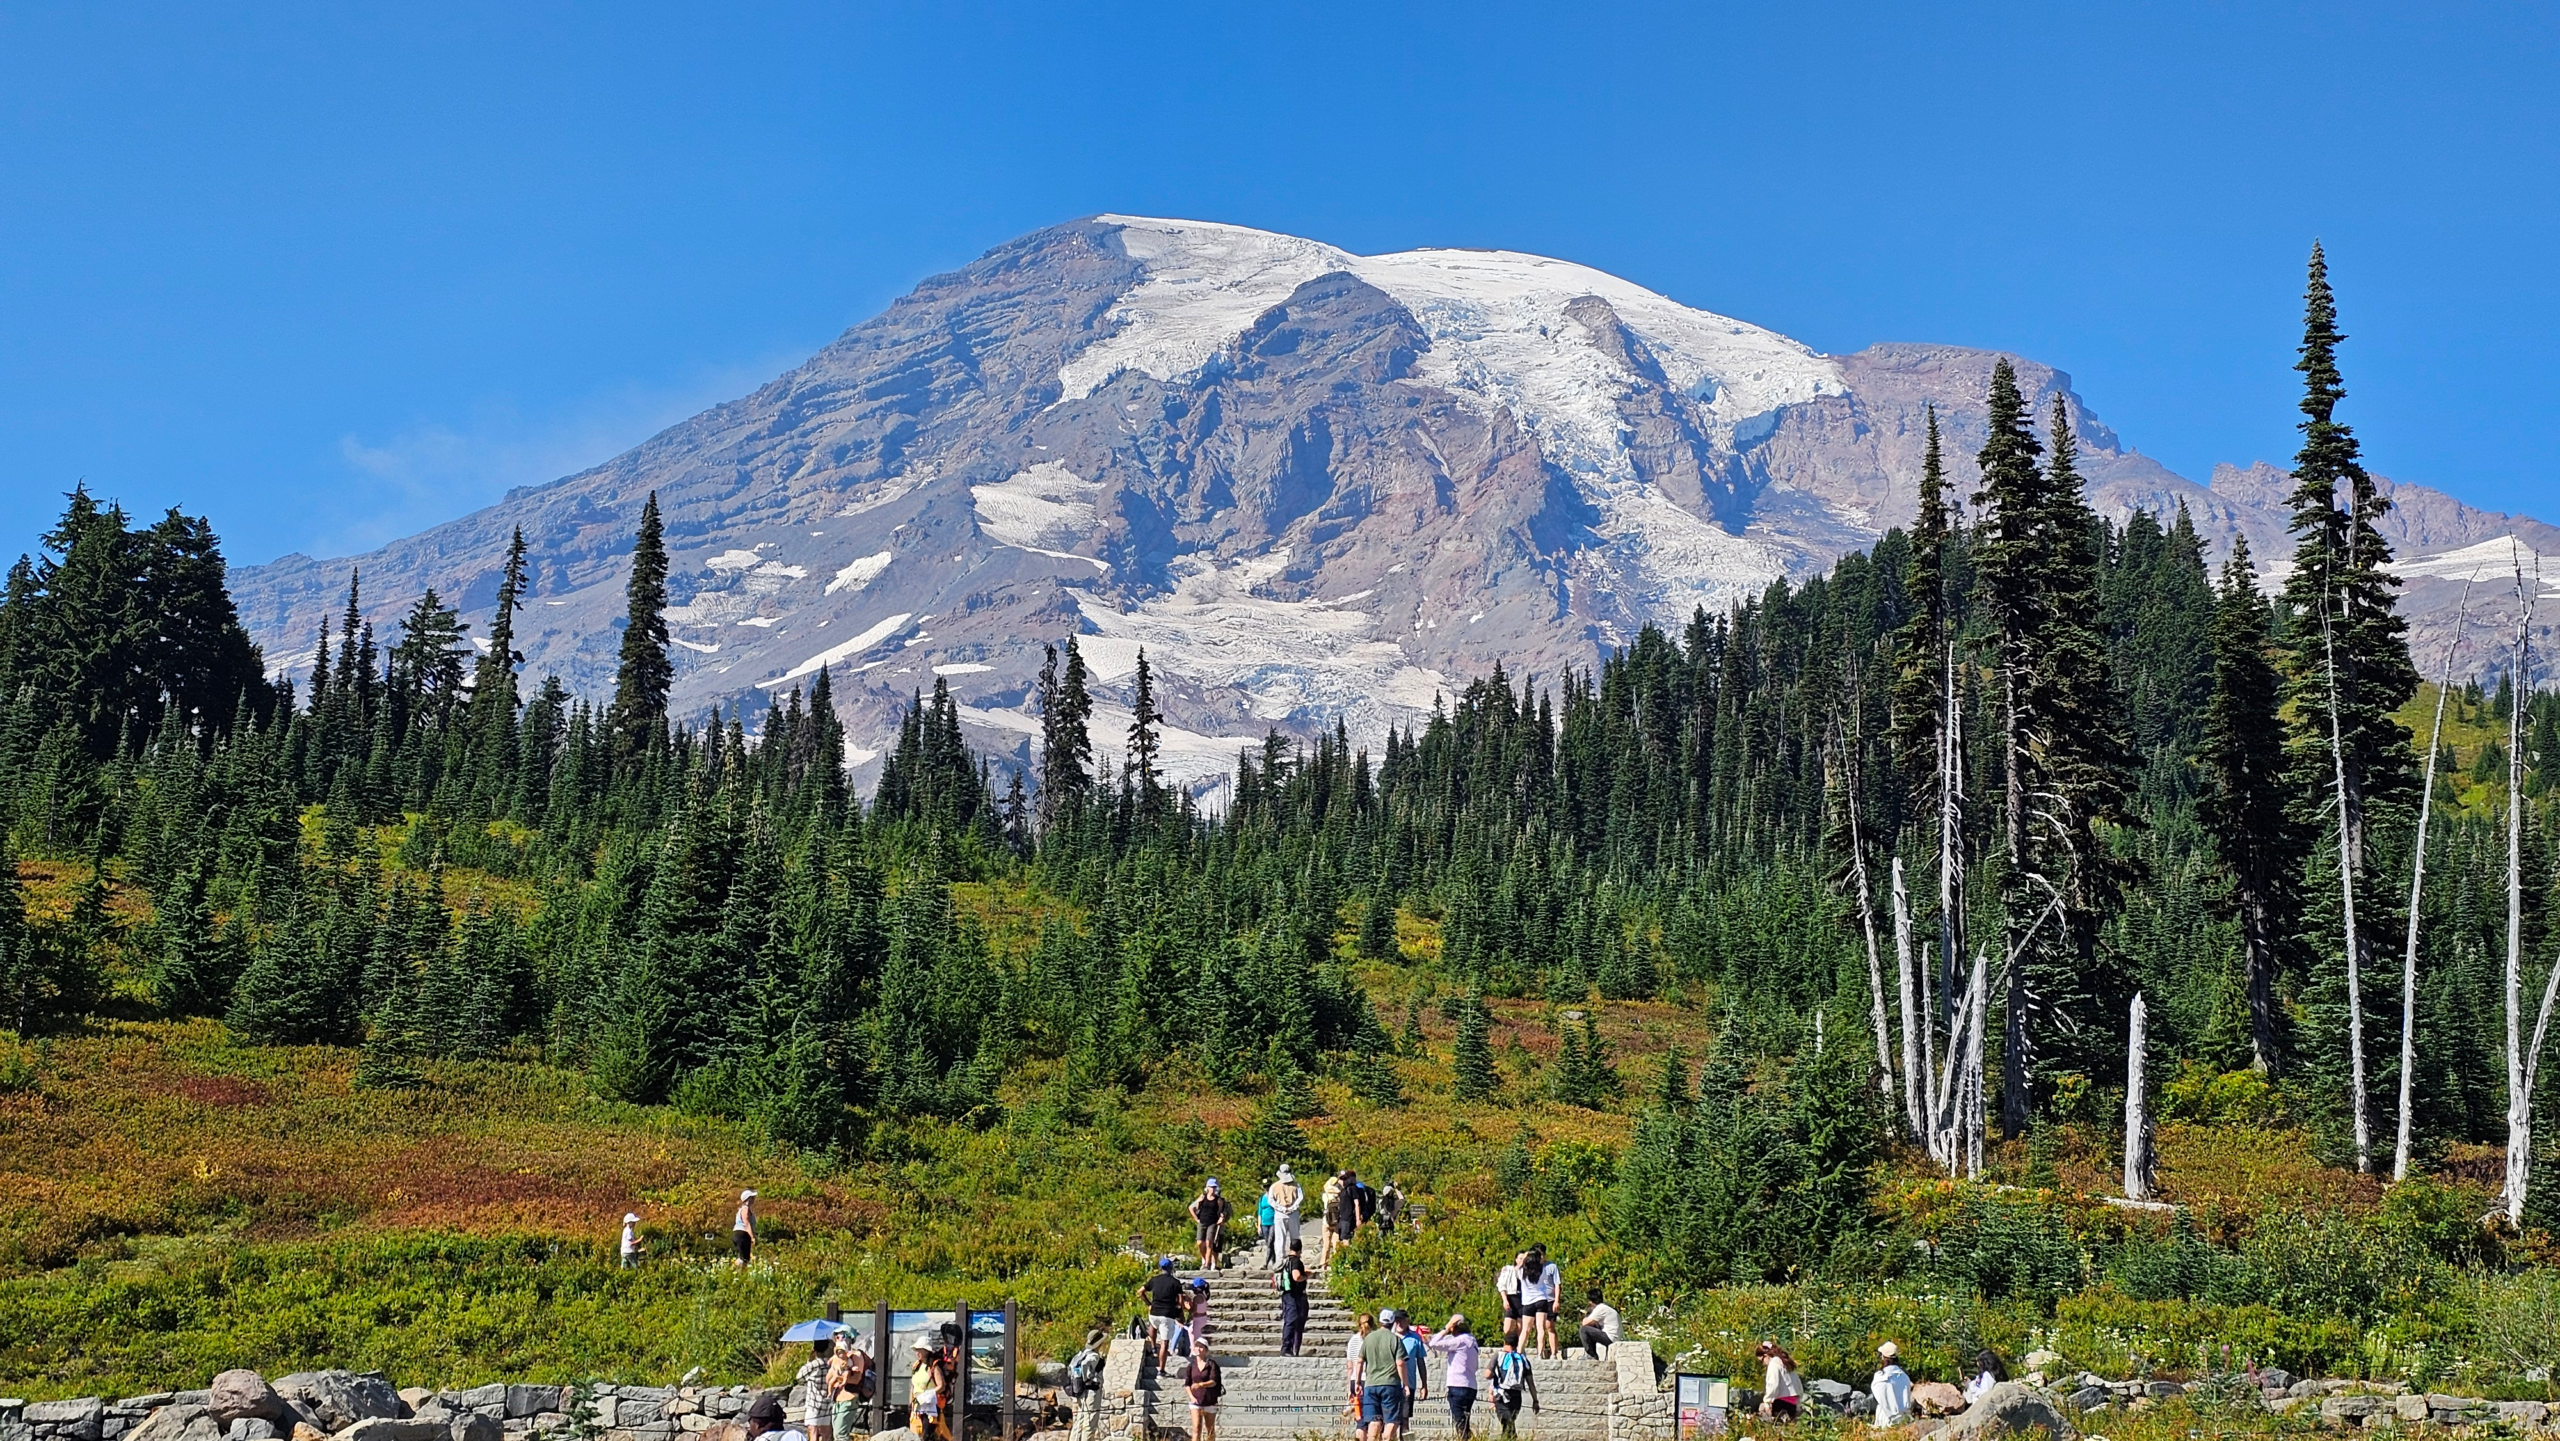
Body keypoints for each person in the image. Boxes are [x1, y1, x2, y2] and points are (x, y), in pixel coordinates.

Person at [1428, 1314, 1481, 1441]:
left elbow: (1433, 1343)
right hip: (1471, 1386)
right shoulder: (1473, 1342)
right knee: (1465, 1422)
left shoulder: (1460, 1341)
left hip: (1458, 1385)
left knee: (1460, 1423)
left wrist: (1445, 1328)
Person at [1359, 1308, 1409, 1441]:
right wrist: (1406, 1384)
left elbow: (1359, 1361)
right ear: (1393, 1322)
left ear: (1379, 1321)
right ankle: (1386, 1438)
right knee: (1391, 1419)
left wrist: (1358, 1382)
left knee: (1373, 1421)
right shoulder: (1395, 1339)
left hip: (1370, 1385)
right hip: (1390, 1384)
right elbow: (1400, 1363)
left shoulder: (1368, 1338)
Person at [1487, 1335, 1539, 1441]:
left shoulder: (1498, 1355)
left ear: (1504, 1342)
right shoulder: (1523, 1360)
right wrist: (1535, 1400)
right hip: (1516, 1397)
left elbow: (1487, 1375)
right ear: (1516, 1344)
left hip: (1501, 1397)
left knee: (1507, 1425)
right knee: (1508, 1425)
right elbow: (1531, 1383)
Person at [827, 1330, 876, 1441]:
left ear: (849, 1339)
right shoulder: (836, 1358)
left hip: (849, 1398)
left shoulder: (856, 1356)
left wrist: (840, 1377)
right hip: (837, 1398)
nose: (838, 1338)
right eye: (836, 1336)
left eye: (841, 1336)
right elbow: (828, 1379)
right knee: (837, 1434)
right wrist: (836, 1372)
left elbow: (855, 1380)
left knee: (841, 1434)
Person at [1144, 1257, 1186, 1371]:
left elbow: (1140, 1291)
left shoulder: (1154, 1279)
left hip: (1154, 1311)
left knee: (1153, 1325)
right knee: (1164, 1342)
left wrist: (1148, 1303)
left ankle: (1153, 1346)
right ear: (1171, 1268)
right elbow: (1180, 1301)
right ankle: (1161, 1370)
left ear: (1160, 1268)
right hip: (1167, 1314)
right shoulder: (1176, 1283)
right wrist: (1178, 1309)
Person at [1517, 1246, 1559, 1358]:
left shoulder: (1522, 1272)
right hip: (1541, 1300)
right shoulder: (1542, 1270)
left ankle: (1519, 1351)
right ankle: (1540, 1353)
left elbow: (1517, 1267)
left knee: (1525, 1330)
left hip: (1528, 1302)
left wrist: (1526, 1255)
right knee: (1541, 1328)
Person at [1396, 1310, 1431, 1438]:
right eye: (1396, 1320)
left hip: (1408, 1385)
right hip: (1390, 1384)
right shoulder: (1389, 1336)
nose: (1398, 1323)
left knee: (1405, 1421)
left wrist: (1424, 1384)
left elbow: (1420, 1362)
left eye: (1401, 1320)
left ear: (1407, 1321)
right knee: (1387, 1422)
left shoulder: (1415, 1338)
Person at [907, 1338, 948, 1441]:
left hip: (930, 1406)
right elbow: (913, 1385)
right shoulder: (916, 1366)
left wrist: (928, 1394)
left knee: (927, 1436)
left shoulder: (934, 1367)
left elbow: (941, 1385)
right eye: (916, 1350)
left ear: (926, 1351)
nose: (917, 1352)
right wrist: (911, 1401)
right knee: (916, 1434)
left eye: (919, 1349)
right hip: (917, 1405)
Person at [1276, 1240, 1312, 1355]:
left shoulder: (1287, 1260)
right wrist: (1306, 1276)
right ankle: (1287, 1348)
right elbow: (1296, 1277)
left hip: (1287, 1294)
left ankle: (1290, 1348)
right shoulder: (1296, 1261)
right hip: (1295, 1295)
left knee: (1290, 1321)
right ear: (1300, 1249)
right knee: (1292, 1321)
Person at [1267, 1166, 1304, 1270]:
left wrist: (1282, 1208)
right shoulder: (1296, 1185)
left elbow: (1271, 1200)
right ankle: (1294, 1256)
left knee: (1281, 1238)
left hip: (1281, 1213)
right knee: (1293, 1236)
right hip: (1291, 1213)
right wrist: (1292, 1207)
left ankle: (1281, 1259)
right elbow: (1300, 1198)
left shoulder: (1274, 1186)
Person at [1755, 1342, 1803, 1420]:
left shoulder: (1773, 1364)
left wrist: (1767, 1402)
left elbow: (1773, 1385)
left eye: (1761, 1361)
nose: (1763, 1364)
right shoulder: (1785, 1361)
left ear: (1766, 1356)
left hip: (1782, 1403)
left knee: (1761, 1409)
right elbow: (1797, 1383)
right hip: (1794, 1402)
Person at [1186, 1343, 1223, 1441]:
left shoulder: (1211, 1364)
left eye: (1201, 1347)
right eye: (1196, 1346)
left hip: (1210, 1400)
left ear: (1206, 1350)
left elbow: (1213, 1381)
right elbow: (1187, 1384)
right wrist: (1191, 1397)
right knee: (1196, 1429)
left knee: (1209, 1429)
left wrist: (1201, 1384)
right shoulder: (1191, 1366)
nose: (1198, 1349)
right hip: (1196, 1400)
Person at [1191, 1179, 1230, 1271]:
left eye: (1214, 1187)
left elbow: (1221, 1211)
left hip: (1212, 1223)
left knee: (1209, 1243)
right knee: (1199, 1242)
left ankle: (1207, 1264)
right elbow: (1192, 1207)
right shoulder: (1202, 1197)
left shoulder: (1219, 1200)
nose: (1212, 1189)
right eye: (1211, 1187)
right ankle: (1205, 1259)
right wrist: (1196, 1218)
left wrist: (1222, 1218)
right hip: (1202, 1221)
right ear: (1207, 1187)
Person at [1871, 1342, 1912, 1427]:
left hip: (1886, 1417)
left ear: (1883, 1357)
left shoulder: (1880, 1377)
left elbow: (1879, 1397)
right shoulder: (1904, 1376)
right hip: (1903, 1419)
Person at [1343, 1313, 1374, 1422]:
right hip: (1370, 1380)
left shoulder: (1353, 1340)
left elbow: (1350, 1367)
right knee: (1371, 1418)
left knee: (1360, 1419)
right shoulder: (1374, 1339)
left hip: (1355, 1381)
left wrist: (1349, 1389)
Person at [1577, 1288, 1620, 1361]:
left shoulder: (1600, 1308)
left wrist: (1587, 1313)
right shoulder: (1606, 1307)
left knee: (1584, 1330)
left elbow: (1585, 1323)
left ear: (1591, 1301)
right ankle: (1592, 1355)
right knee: (1592, 1327)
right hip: (1614, 1337)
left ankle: (1591, 1355)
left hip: (1610, 1338)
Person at [1494, 1253, 1526, 1348]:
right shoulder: (1508, 1270)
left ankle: (1519, 1348)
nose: (1522, 1261)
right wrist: (1505, 1299)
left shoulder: (1527, 1273)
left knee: (1521, 1328)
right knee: (1508, 1327)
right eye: (1520, 1258)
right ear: (1516, 1259)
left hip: (1522, 1300)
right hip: (1511, 1299)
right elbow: (1501, 1285)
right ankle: (1506, 1346)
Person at [1319, 1172, 1346, 1267]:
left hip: (1326, 1221)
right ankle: (1336, 1262)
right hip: (1336, 1221)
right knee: (1336, 1243)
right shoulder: (1338, 1194)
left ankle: (1323, 1263)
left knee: (1326, 1244)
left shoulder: (1325, 1195)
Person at [1185, 1276, 1214, 1351]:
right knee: (1190, 1330)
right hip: (1202, 1317)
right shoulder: (1203, 1296)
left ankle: (1194, 1349)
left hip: (1198, 1318)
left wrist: (1187, 1306)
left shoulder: (1197, 1298)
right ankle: (1193, 1348)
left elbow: (1193, 1310)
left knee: (1195, 1336)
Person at [733, 1189, 758, 1267]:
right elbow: (746, 1223)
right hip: (742, 1234)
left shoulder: (744, 1209)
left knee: (745, 1258)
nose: (754, 1199)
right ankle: (732, 1271)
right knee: (744, 1258)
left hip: (741, 1234)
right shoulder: (745, 1209)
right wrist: (752, 1237)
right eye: (752, 1197)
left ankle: (740, 1274)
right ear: (748, 1199)